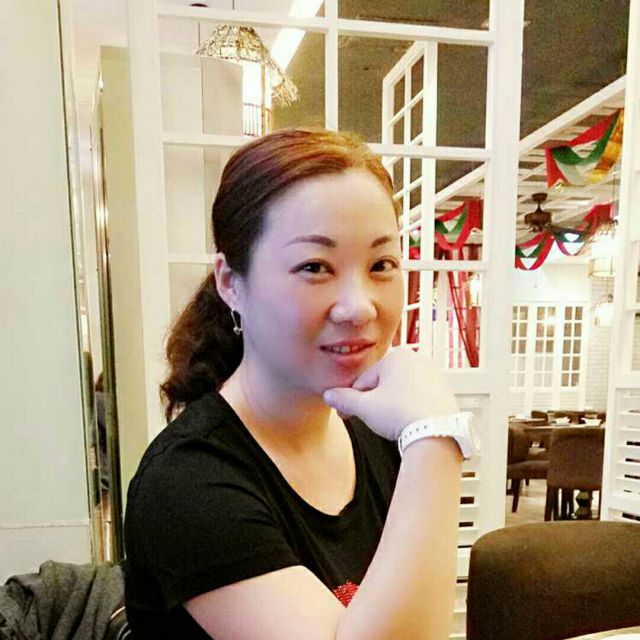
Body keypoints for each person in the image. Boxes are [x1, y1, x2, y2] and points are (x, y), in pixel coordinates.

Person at [124, 128, 468, 640]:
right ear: (230, 281)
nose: (359, 307)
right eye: (314, 267)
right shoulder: (188, 483)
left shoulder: (381, 439)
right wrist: (438, 438)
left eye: (381, 265)